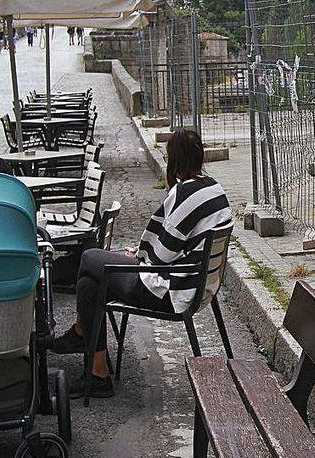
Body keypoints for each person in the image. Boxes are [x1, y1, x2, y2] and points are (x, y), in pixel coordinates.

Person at [50, 129, 233, 399]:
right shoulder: (213, 187)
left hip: (171, 292)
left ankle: (81, 334)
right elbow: (176, 243)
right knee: (88, 286)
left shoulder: (185, 192)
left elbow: (162, 255)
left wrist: (138, 257)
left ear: (172, 158)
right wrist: (142, 253)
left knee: (89, 257)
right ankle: (97, 373)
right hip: (198, 285)